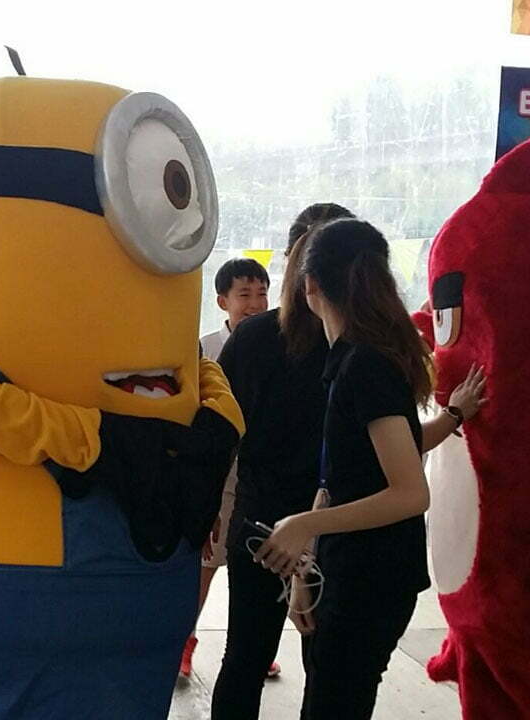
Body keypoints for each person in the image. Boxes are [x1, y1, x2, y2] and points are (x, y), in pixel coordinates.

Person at [254, 218, 485, 719]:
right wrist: (305, 569)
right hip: (346, 569)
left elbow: (410, 493)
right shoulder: (352, 360)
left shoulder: (365, 365)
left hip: (371, 578)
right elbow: (352, 468)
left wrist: (304, 524)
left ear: (310, 287)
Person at [210, 203, 353, 720]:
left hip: (262, 524)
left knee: (246, 657)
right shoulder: (363, 344)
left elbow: (218, 436)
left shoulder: (250, 339)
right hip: (337, 525)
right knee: (329, 668)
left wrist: (209, 508)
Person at [181, 257, 275, 680]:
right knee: (205, 565)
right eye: (244, 294)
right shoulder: (207, 349)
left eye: (262, 293)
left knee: (257, 567)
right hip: (220, 474)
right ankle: (184, 641)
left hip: (259, 474)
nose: (254, 303)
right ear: (222, 301)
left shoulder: (277, 342)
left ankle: (256, 646)